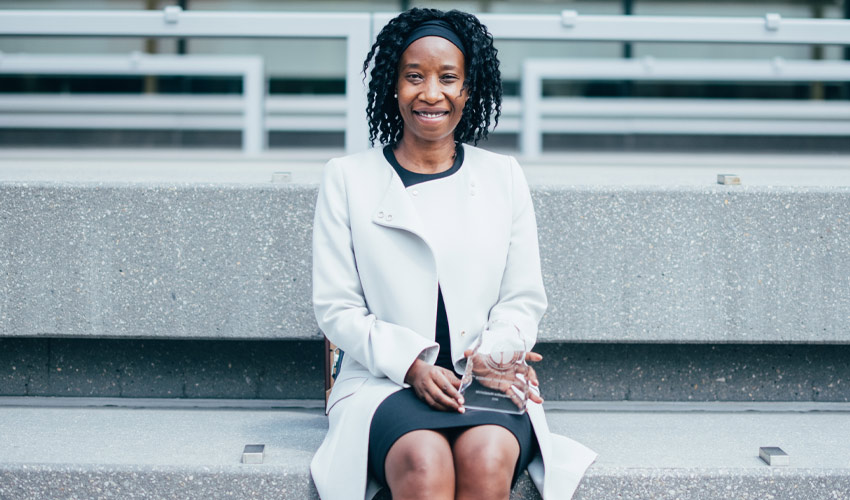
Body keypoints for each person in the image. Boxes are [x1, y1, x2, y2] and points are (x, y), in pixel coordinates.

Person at [310, 8, 596, 500]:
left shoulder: (502, 176)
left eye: (448, 78)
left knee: (486, 460)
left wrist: (494, 355)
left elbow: (523, 297)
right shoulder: (347, 179)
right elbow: (337, 309)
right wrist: (413, 364)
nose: (431, 93)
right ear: (392, 86)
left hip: (485, 380)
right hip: (386, 384)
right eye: (413, 77)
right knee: (424, 464)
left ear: (468, 90)